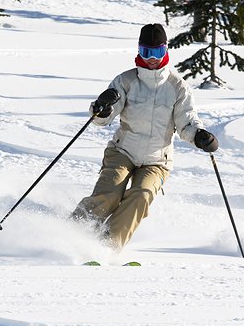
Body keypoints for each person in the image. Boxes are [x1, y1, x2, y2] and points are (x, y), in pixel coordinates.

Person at [71, 23, 218, 250]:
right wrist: (102, 108)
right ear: (139, 50)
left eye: (157, 51)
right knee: (109, 195)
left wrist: (199, 136)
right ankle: (72, 233)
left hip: (157, 160)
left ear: (165, 50)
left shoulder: (177, 87)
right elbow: (102, 120)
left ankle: (106, 247)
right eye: (146, 52)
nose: (151, 58)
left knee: (141, 195)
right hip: (122, 151)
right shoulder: (126, 81)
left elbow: (186, 121)